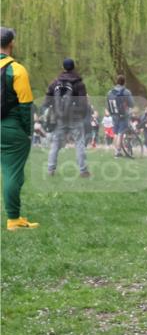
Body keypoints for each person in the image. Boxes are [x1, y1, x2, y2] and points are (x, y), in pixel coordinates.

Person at [0, 27, 40, 230]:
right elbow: (25, 106)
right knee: (12, 173)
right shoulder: (17, 70)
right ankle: (13, 219)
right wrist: (28, 131)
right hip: (10, 128)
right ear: (11, 43)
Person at [42, 58, 91, 178]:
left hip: (60, 118)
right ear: (73, 67)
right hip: (75, 118)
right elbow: (83, 102)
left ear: (63, 68)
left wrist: (47, 111)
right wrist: (83, 115)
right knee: (79, 143)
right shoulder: (79, 83)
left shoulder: (55, 83)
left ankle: (50, 169)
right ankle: (83, 170)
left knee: (55, 144)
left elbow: (48, 99)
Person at [106, 75, 134, 158]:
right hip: (123, 115)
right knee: (120, 133)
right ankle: (118, 152)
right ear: (124, 82)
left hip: (114, 115)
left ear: (116, 81)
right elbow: (131, 104)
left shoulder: (110, 92)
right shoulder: (126, 92)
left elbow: (108, 105)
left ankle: (116, 151)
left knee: (115, 133)